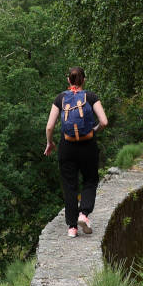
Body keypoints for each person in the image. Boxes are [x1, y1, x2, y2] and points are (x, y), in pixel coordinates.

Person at [44, 67, 109, 238]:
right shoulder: (91, 96)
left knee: (69, 185)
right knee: (90, 179)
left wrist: (50, 143)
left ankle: (72, 227)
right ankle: (84, 214)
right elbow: (104, 121)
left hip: (67, 147)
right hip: (88, 145)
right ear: (84, 80)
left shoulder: (60, 98)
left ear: (69, 80)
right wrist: (93, 130)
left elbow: (50, 126)